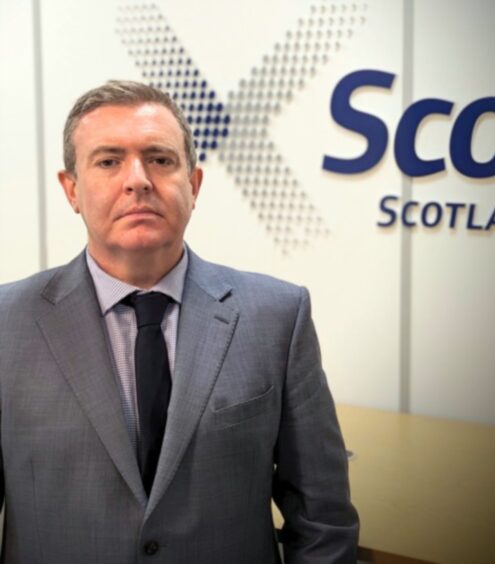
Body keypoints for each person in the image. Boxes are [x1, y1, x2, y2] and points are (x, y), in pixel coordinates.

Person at [0, 80, 358, 563]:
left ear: (193, 185)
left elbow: (322, 516)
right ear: (72, 190)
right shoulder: (7, 324)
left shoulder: (278, 317)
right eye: (108, 161)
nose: (138, 180)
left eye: (160, 159)